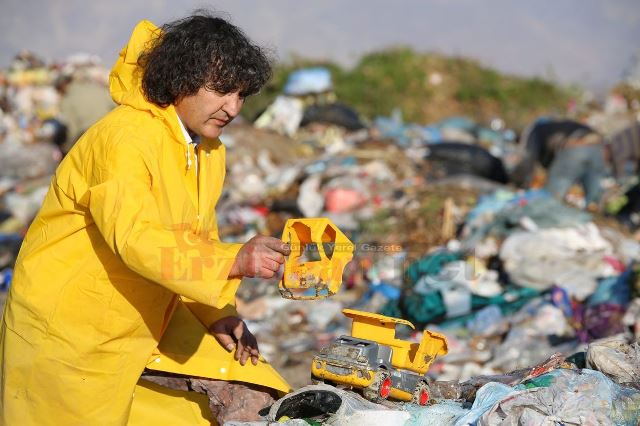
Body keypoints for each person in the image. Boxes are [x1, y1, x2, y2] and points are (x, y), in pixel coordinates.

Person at [0, 12, 291, 425]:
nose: (232, 108)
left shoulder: (207, 151)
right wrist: (234, 260)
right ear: (181, 77)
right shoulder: (125, 137)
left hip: (140, 321)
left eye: (241, 94)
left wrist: (218, 313)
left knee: (248, 391)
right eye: (222, 90)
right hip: (71, 333)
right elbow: (136, 237)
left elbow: (197, 239)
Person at [514, 118, 606, 209]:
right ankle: (594, 211)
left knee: (552, 197)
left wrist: (521, 184)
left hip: (575, 145)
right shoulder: (554, 126)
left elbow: (528, 157)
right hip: (597, 148)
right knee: (593, 196)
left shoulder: (535, 130)